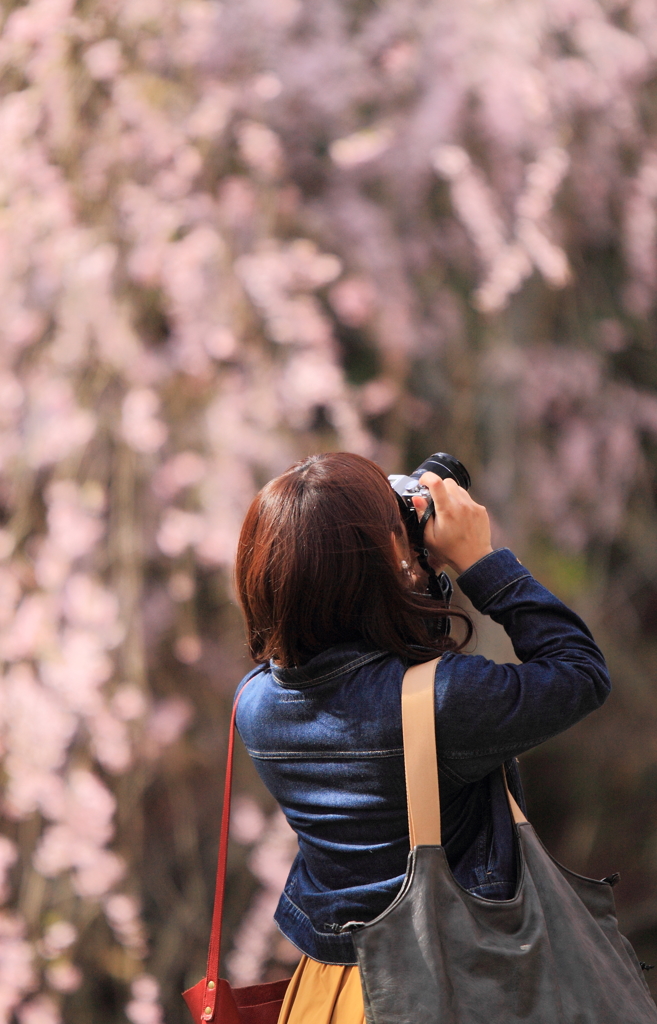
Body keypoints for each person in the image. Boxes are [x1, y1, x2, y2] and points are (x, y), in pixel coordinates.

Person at [234, 452, 611, 1024]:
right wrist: (480, 563)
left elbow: (359, 654)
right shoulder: (441, 704)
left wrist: (396, 560)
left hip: (330, 996)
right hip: (450, 986)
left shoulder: (255, 705)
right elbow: (580, 671)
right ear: (389, 556)